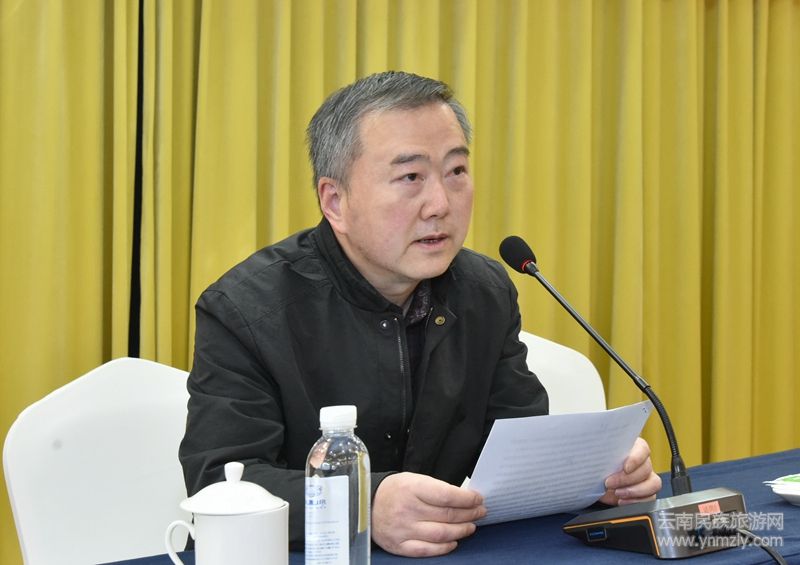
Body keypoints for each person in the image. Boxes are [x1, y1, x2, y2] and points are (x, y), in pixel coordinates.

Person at [179, 71, 661, 557]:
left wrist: (595, 476)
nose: (440, 204)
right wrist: (362, 504)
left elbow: (515, 448)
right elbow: (220, 478)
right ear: (335, 202)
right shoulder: (246, 309)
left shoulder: (485, 292)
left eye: (456, 171)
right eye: (411, 177)